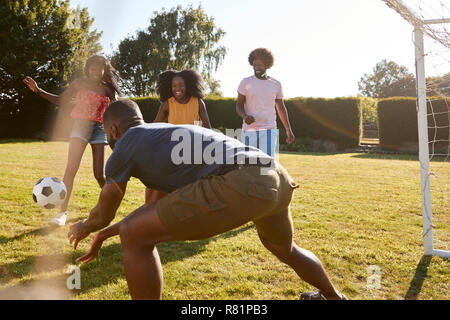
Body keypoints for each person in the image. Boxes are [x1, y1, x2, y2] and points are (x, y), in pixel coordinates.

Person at [67, 99, 347, 300]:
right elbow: (151, 213)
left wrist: (84, 226)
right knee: (286, 249)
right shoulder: (159, 138)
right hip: (276, 176)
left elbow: (105, 213)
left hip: (242, 181)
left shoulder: (125, 146)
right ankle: (335, 298)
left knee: (134, 236)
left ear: (113, 130)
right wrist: (105, 235)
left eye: (107, 133)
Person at [23, 55, 121, 226]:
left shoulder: (107, 89)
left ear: (104, 70)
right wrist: (38, 90)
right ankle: (62, 213)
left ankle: (108, 208)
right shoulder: (78, 84)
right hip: (79, 127)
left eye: (99, 68)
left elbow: (116, 111)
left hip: (99, 129)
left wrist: (116, 129)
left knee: (100, 174)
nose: (95, 71)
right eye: (92, 68)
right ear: (87, 69)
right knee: (71, 170)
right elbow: (61, 100)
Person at [146, 69, 212, 204]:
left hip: (191, 148)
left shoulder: (198, 102)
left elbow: (207, 128)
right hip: (171, 148)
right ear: (170, 88)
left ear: (187, 85)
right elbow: (155, 126)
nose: (177, 88)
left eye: (181, 85)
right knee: (155, 179)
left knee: (189, 183)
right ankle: (150, 205)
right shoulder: (167, 104)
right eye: (174, 86)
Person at [236, 48, 295, 158]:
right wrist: (245, 116)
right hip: (250, 131)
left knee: (266, 167)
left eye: (259, 65)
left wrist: (288, 130)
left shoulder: (276, 84)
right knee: (248, 166)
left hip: (269, 130)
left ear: (267, 65)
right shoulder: (245, 82)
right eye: (254, 66)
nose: (256, 68)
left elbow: (281, 108)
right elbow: (238, 105)